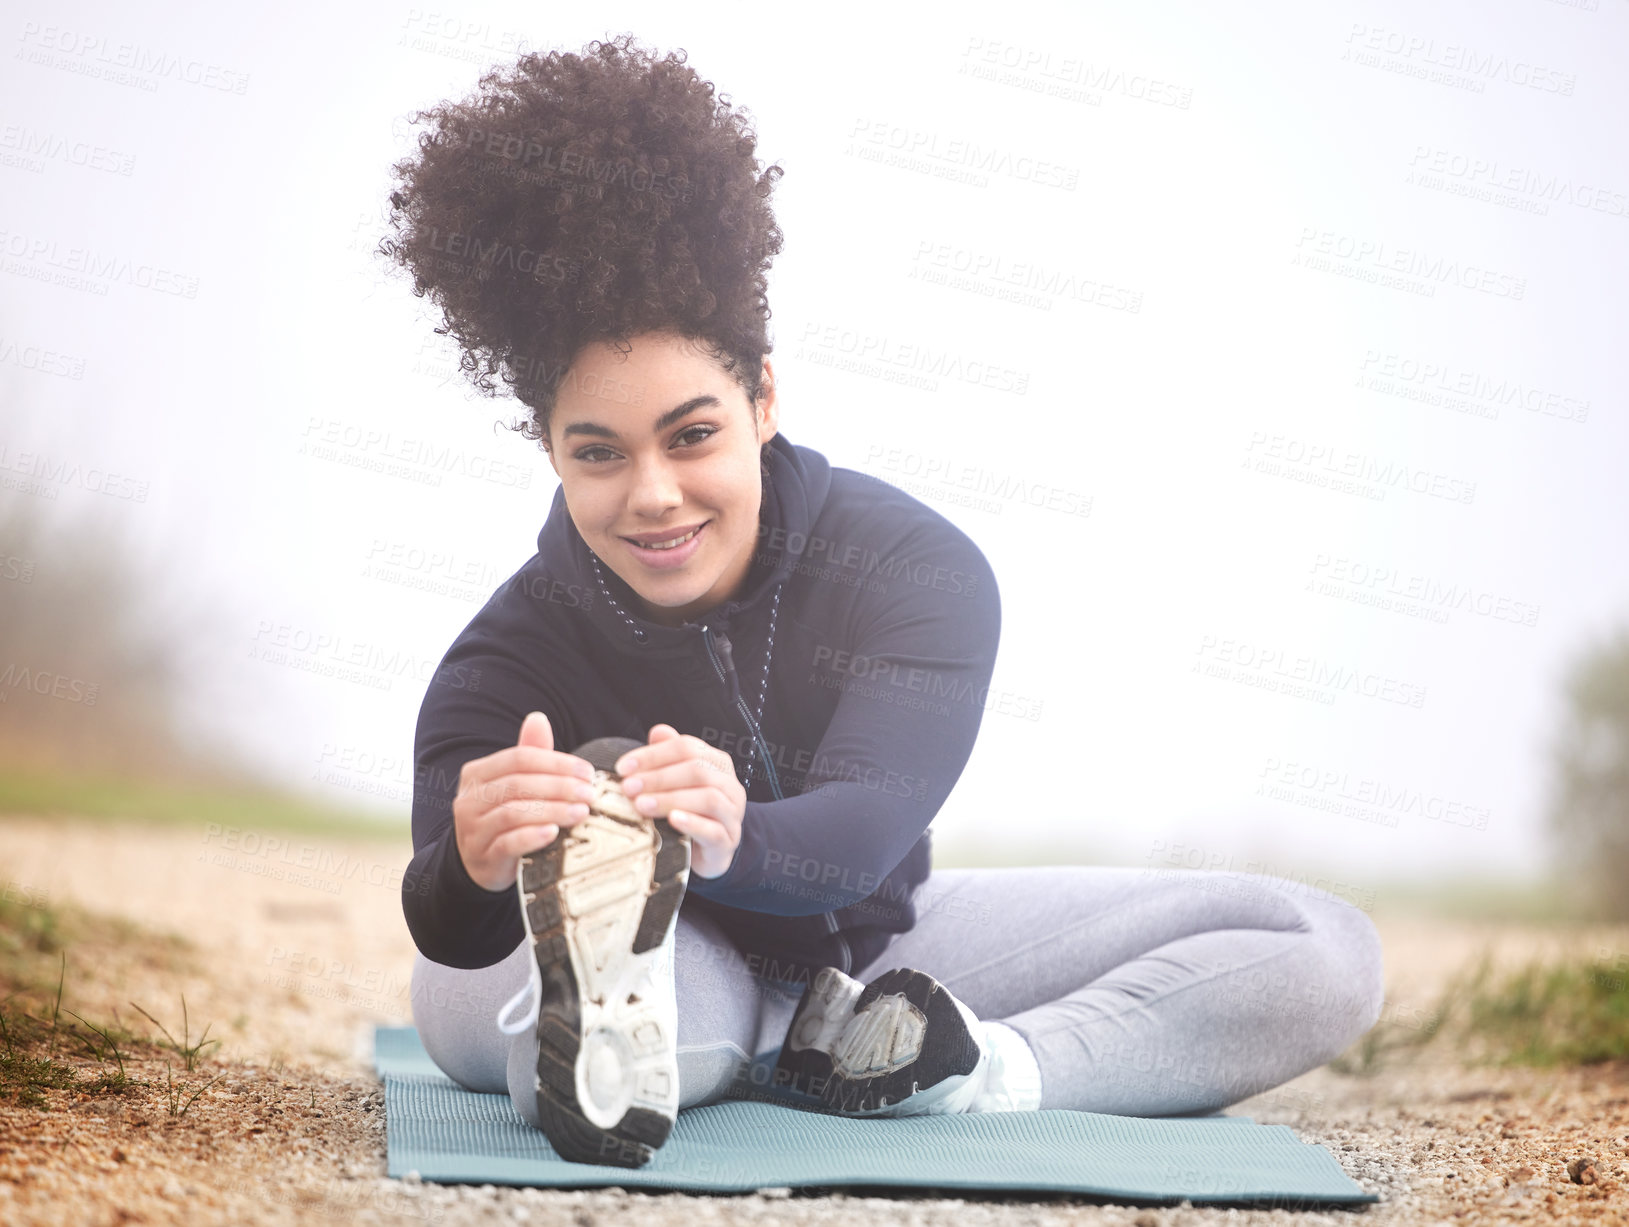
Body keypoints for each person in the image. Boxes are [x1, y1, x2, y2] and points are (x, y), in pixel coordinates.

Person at [381, 33, 1385, 1169]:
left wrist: (731, 833)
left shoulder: (915, 569)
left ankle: (959, 1069)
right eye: (599, 452)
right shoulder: (503, 663)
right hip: (658, 959)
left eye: (693, 434)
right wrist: (470, 861)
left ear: (763, 398)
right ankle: (641, 1018)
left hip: (877, 944)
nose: (653, 496)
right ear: (550, 449)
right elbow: (445, 923)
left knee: (1320, 943)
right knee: (500, 995)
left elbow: (865, 831)